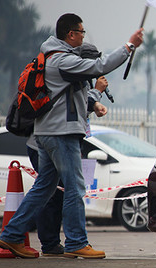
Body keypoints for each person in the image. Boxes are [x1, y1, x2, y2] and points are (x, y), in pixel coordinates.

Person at [0, 13, 143, 259]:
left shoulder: (52, 58)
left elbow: (79, 94)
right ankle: (76, 242)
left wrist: (94, 100)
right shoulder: (62, 60)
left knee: (44, 187)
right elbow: (100, 66)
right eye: (82, 32)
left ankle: (11, 236)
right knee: (75, 187)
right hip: (60, 133)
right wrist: (129, 46)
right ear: (71, 34)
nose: (83, 36)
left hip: (47, 132)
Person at [26, 75, 109, 257]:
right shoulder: (69, 72)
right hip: (56, 139)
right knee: (57, 191)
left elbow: (82, 105)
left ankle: (14, 235)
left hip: (57, 138)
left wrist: (95, 99)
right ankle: (65, 242)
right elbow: (77, 104)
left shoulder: (76, 75)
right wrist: (97, 92)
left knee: (51, 190)